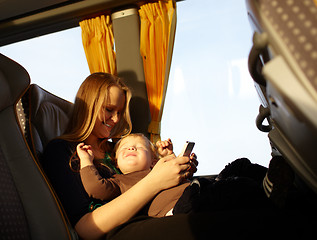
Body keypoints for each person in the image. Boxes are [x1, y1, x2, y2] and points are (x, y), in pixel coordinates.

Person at [42, 72, 197, 240]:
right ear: (89, 106)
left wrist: (175, 168)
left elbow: (142, 177)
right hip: (122, 231)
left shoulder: (118, 149)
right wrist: (155, 181)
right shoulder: (62, 151)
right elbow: (85, 228)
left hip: (154, 215)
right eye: (109, 109)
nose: (116, 119)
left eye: (120, 112)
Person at [78, 133, 196, 217]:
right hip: (176, 208)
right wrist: (86, 160)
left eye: (140, 147)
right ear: (116, 163)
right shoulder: (118, 181)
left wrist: (169, 156)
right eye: (124, 148)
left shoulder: (159, 170)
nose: (131, 147)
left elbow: (175, 174)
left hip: (193, 191)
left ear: (153, 162)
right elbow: (96, 188)